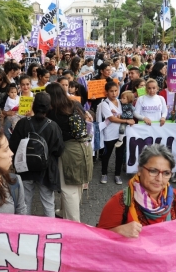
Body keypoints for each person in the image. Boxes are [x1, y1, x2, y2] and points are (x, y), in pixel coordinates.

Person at [97, 144, 176, 238]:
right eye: (153, 171)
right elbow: (98, 238)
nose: (159, 179)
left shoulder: (173, 196)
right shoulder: (121, 201)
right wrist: (118, 231)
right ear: (139, 170)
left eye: (166, 173)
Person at [9, 92, 64, 217]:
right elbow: (59, 150)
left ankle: (26, 231)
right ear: (49, 107)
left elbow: (13, 145)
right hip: (46, 170)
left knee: (25, 202)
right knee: (48, 203)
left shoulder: (23, 123)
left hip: (25, 167)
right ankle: (50, 231)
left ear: (33, 105)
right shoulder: (53, 126)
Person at [46, 83, 93, 222]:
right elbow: (87, 119)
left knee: (68, 189)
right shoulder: (75, 104)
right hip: (84, 147)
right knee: (77, 184)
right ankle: (63, 212)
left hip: (68, 151)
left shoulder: (53, 113)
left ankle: (73, 223)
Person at [100, 81, 135, 184]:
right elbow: (111, 119)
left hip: (121, 134)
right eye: (111, 91)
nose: (114, 93)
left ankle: (117, 174)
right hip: (109, 134)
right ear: (106, 92)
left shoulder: (120, 101)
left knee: (119, 155)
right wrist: (126, 121)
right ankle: (104, 173)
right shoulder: (104, 104)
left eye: (116, 91)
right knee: (107, 155)